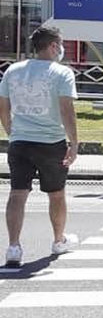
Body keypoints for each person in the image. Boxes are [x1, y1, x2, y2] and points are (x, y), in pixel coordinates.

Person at [0, 26, 79, 267]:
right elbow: (67, 110)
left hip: (20, 141)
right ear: (54, 46)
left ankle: (13, 247)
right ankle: (58, 240)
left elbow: (4, 107)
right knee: (56, 194)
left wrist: (11, 132)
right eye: (61, 45)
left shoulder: (12, 71)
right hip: (51, 141)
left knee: (17, 193)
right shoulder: (62, 73)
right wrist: (74, 142)